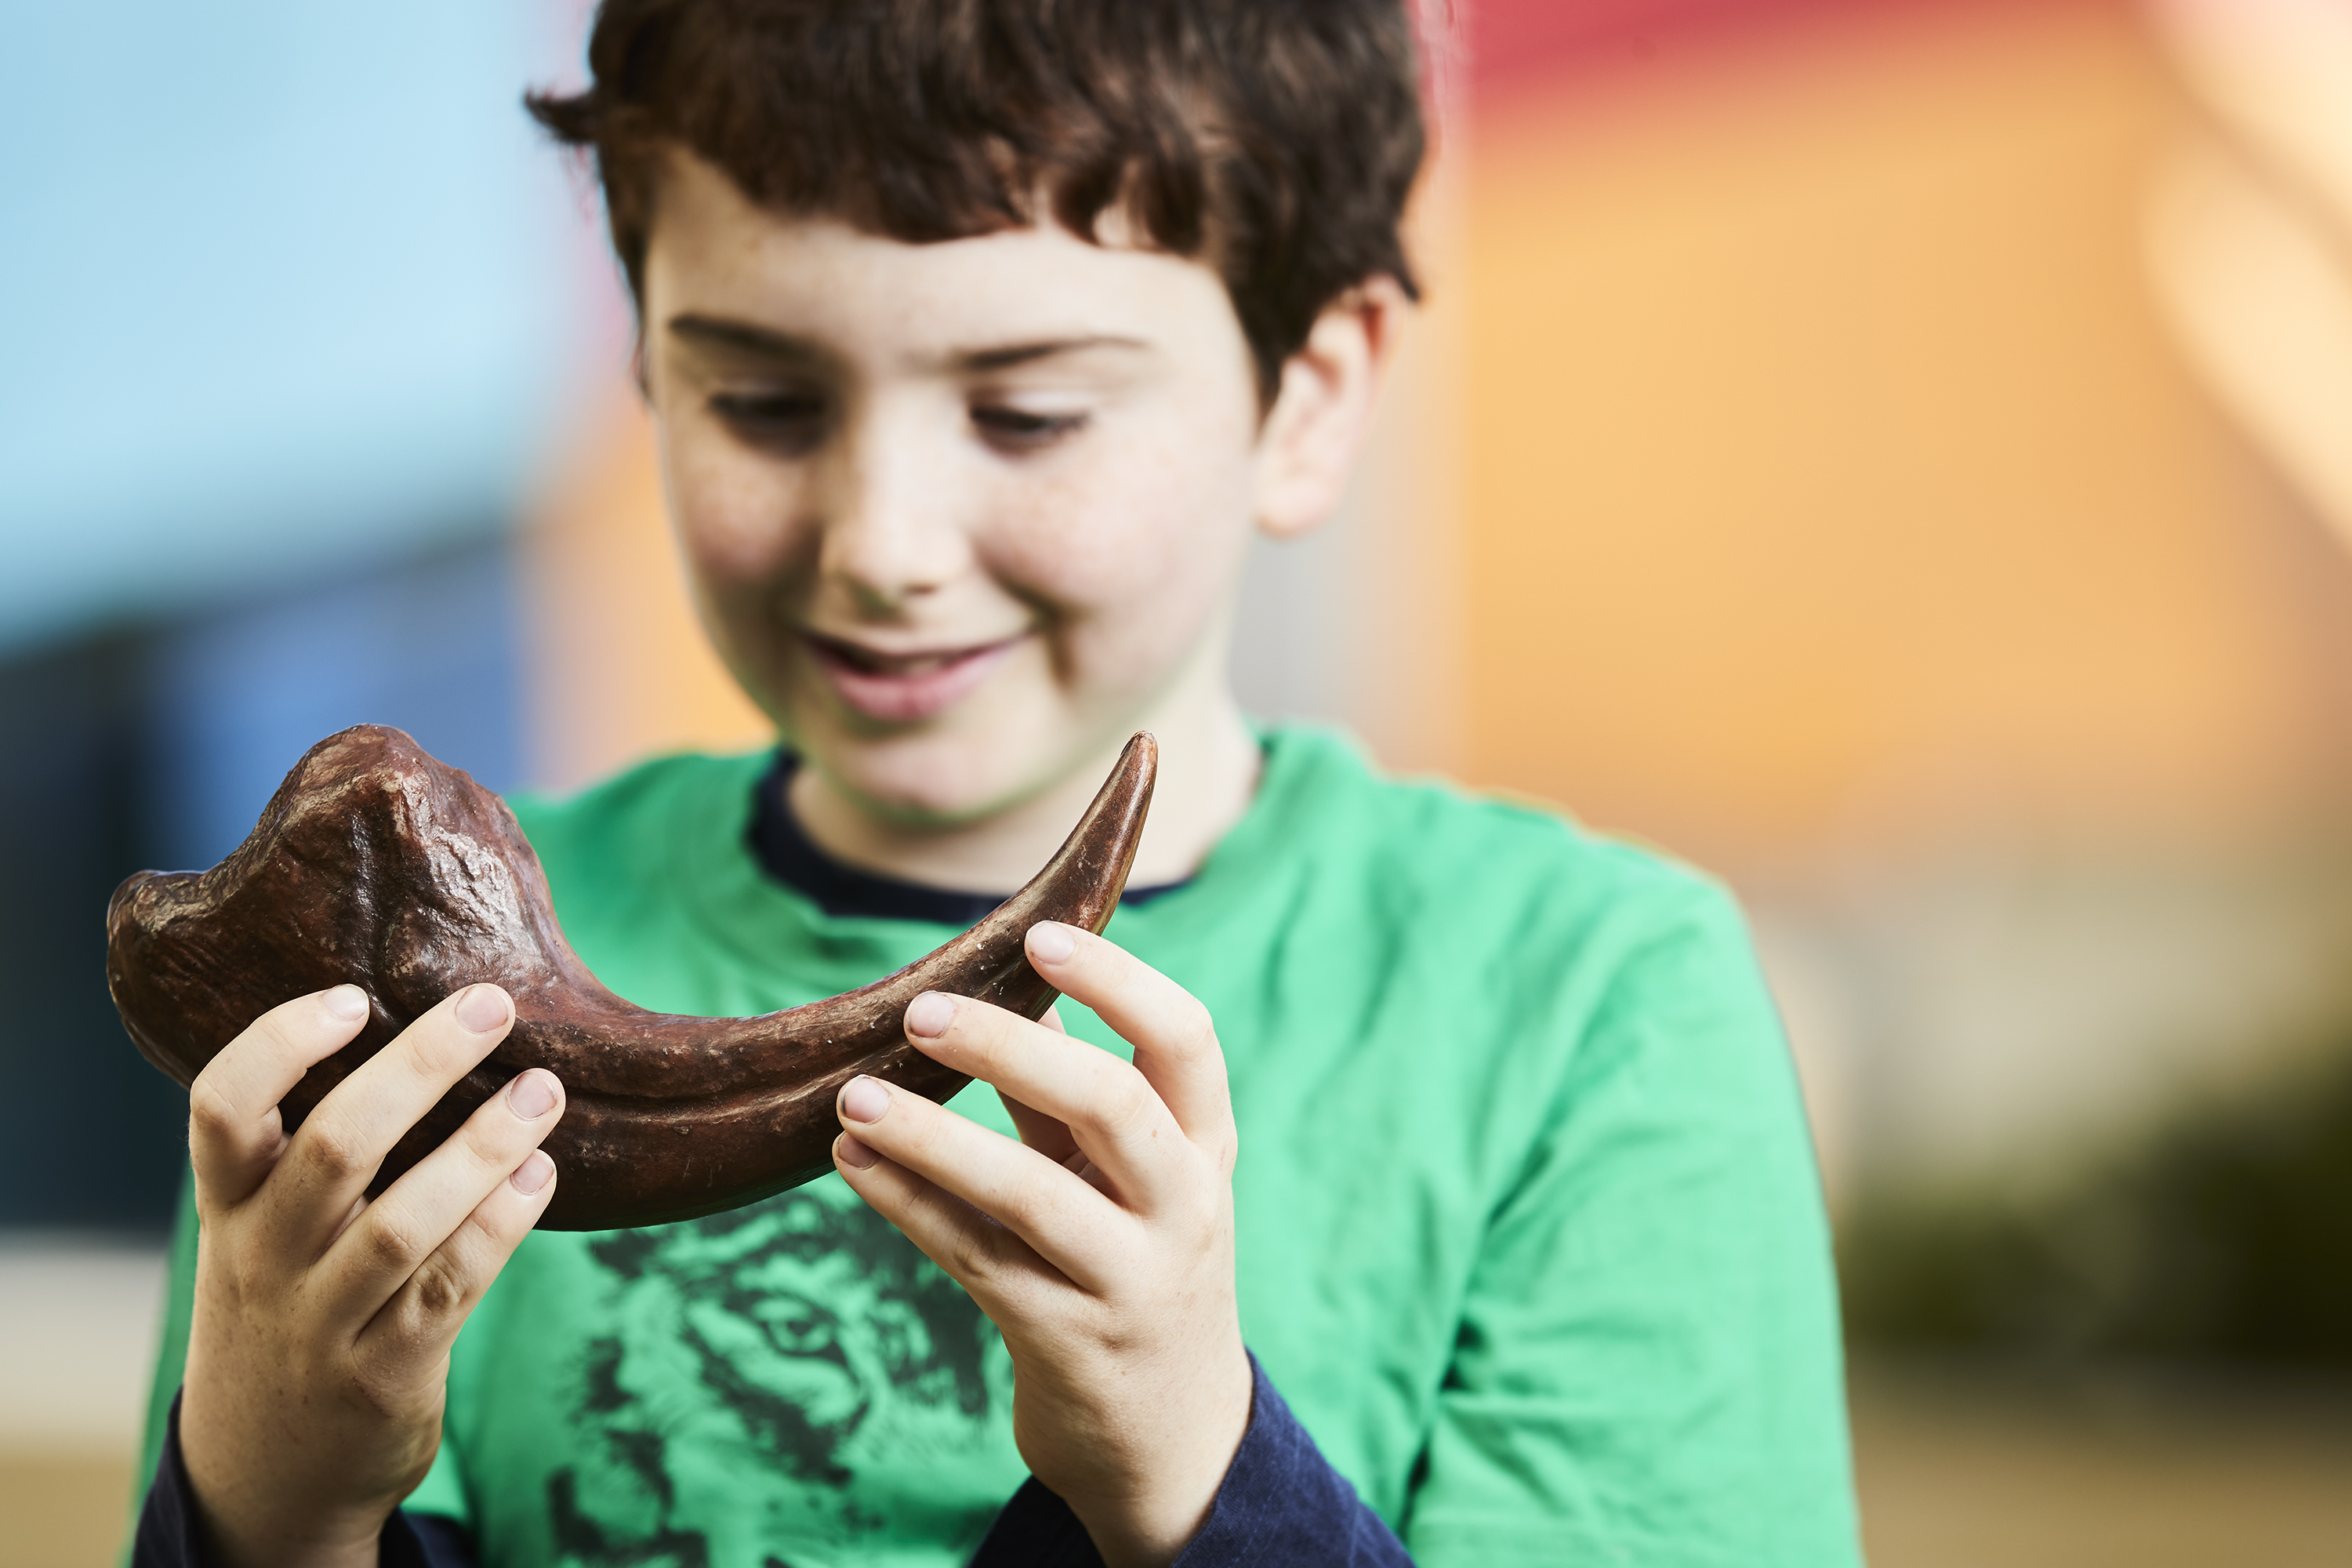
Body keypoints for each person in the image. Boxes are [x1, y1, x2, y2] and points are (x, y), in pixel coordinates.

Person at [131, 2, 1860, 1564]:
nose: (885, 546)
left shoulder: (1589, 1005)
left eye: (1028, 413)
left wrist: (1199, 1464)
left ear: (1307, 400)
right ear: (642, 363)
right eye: (764, 400)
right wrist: (275, 1494)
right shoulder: (406, 984)